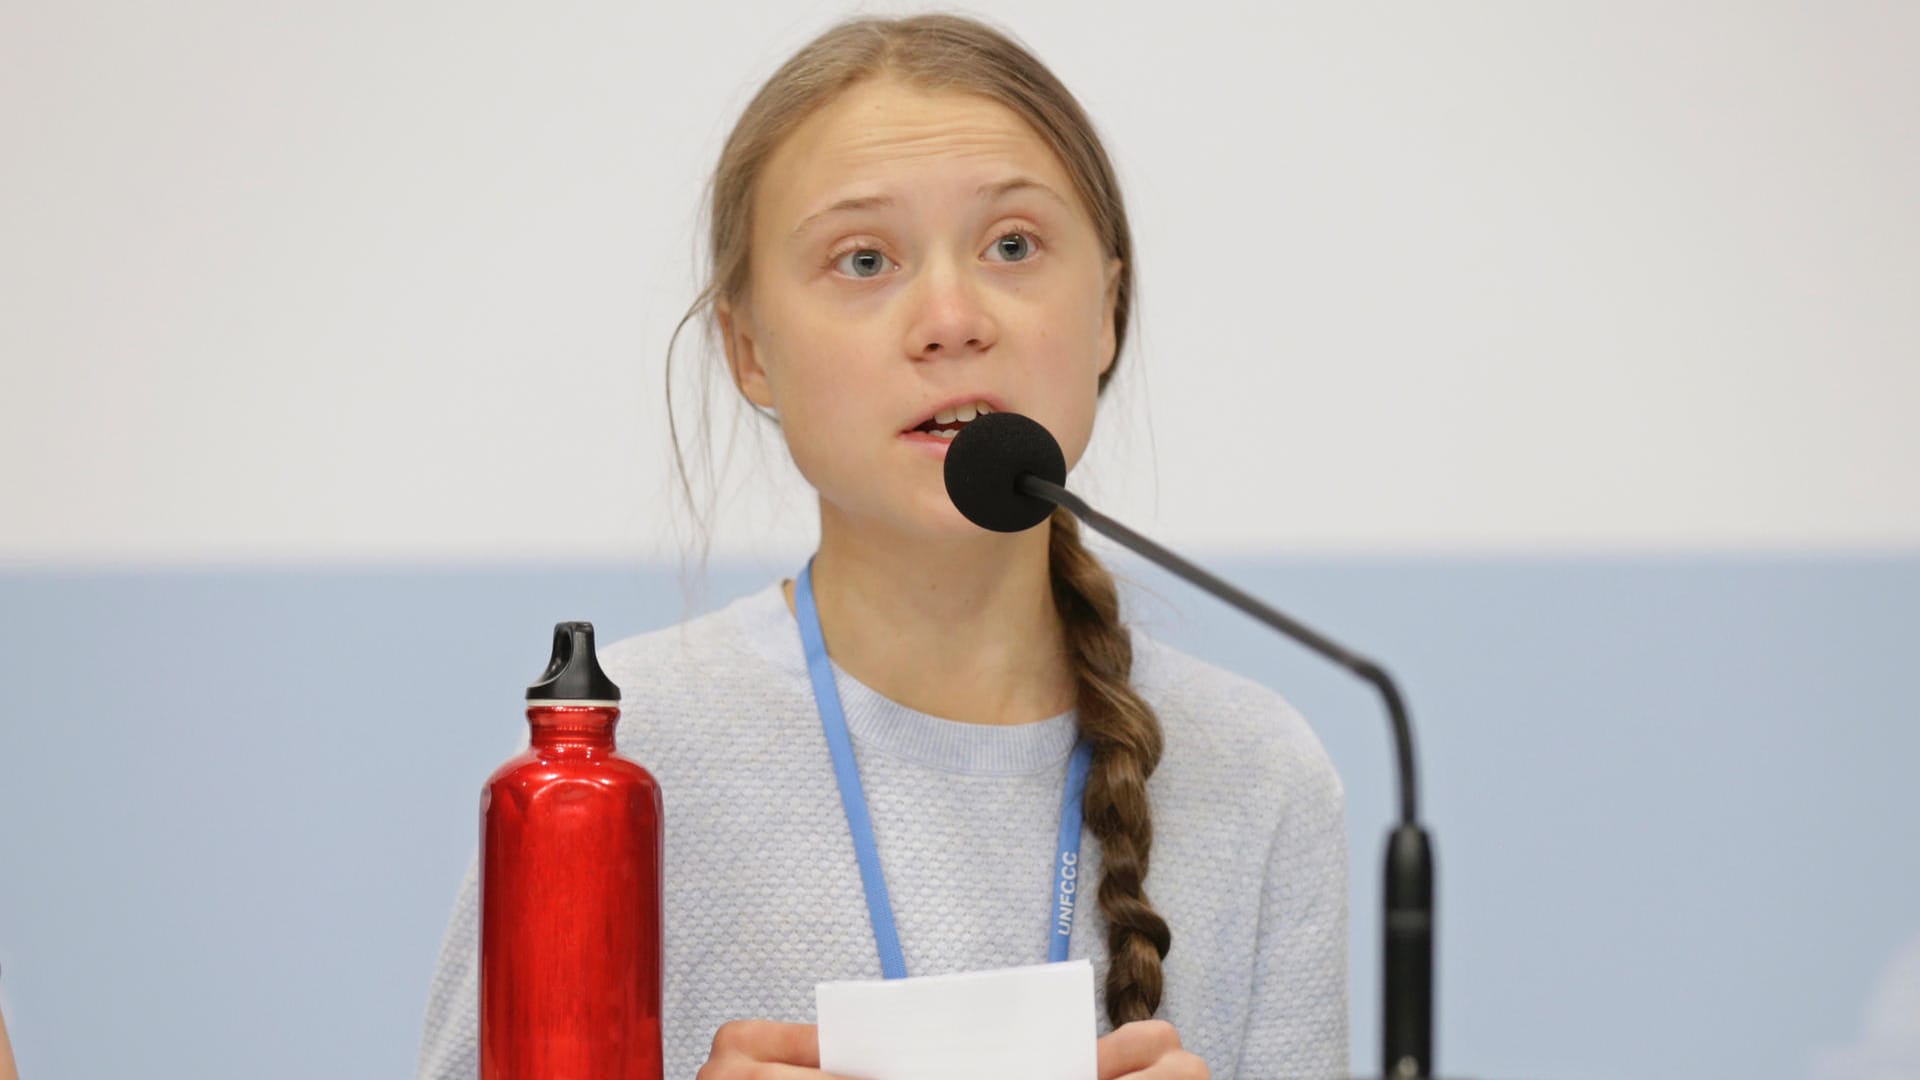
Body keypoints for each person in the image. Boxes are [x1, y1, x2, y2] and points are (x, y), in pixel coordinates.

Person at [416, 13, 1347, 1079]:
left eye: (1012, 246)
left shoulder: (1258, 771)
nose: (951, 317)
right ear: (749, 349)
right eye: (863, 259)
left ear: (1107, 309)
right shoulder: (610, 765)